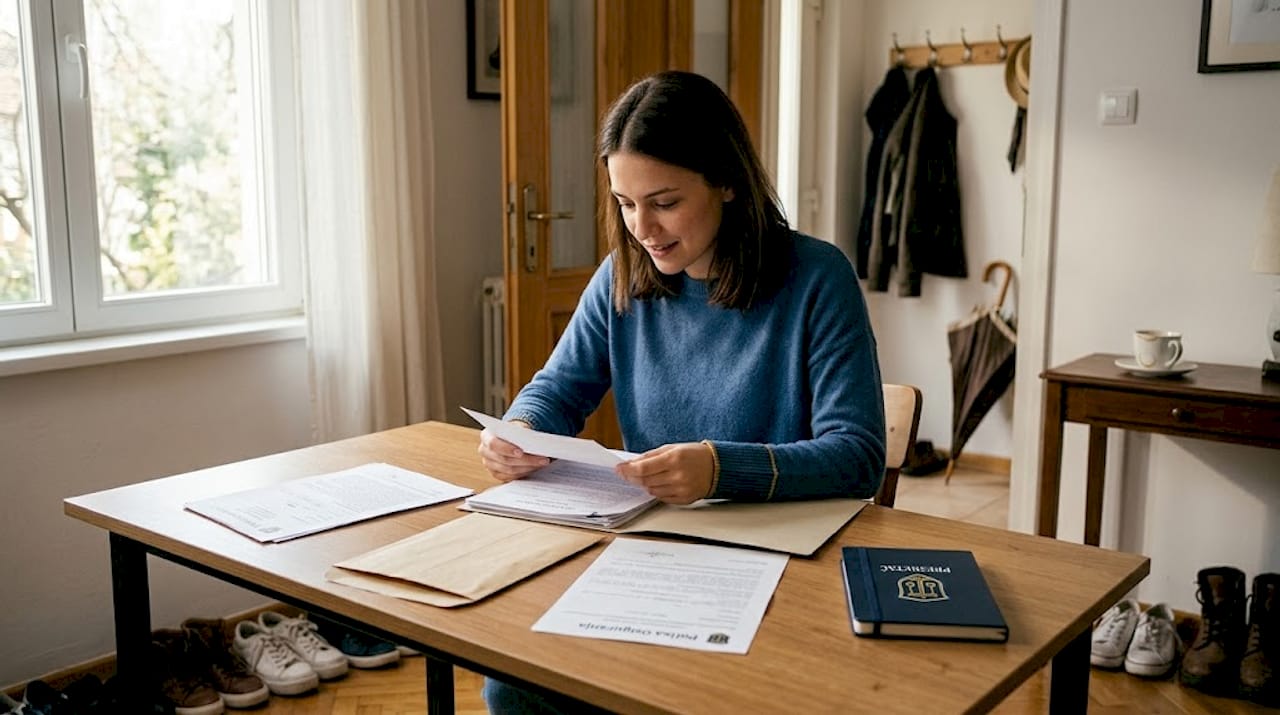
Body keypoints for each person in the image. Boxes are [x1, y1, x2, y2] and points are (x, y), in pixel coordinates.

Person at [477, 70, 885, 713]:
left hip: (779, 562)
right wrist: (519, 430)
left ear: (725, 180)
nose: (642, 225)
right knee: (512, 690)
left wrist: (721, 468)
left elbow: (858, 454)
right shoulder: (622, 277)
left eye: (664, 201)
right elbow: (555, 390)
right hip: (655, 549)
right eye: (625, 202)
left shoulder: (816, 277)